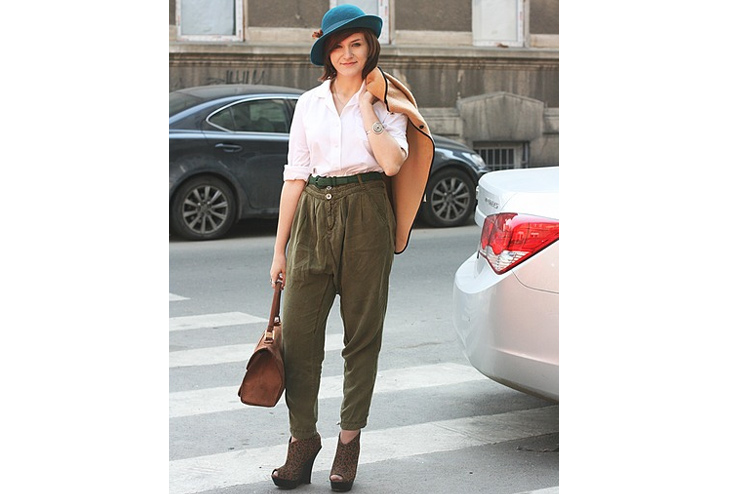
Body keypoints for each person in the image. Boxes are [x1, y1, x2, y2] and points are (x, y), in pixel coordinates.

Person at [268, 4, 434, 491]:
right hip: (313, 214)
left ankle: (348, 442)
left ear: (369, 49)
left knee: (361, 337)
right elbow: (294, 177)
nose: (347, 54)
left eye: (356, 45)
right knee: (298, 340)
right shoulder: (308, 104)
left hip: (366, 213)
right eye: (338, 47)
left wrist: (367, 109)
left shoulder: (388, 102)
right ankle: (303, 442)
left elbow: (390, 164)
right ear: (327, 53)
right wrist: (279, 250)